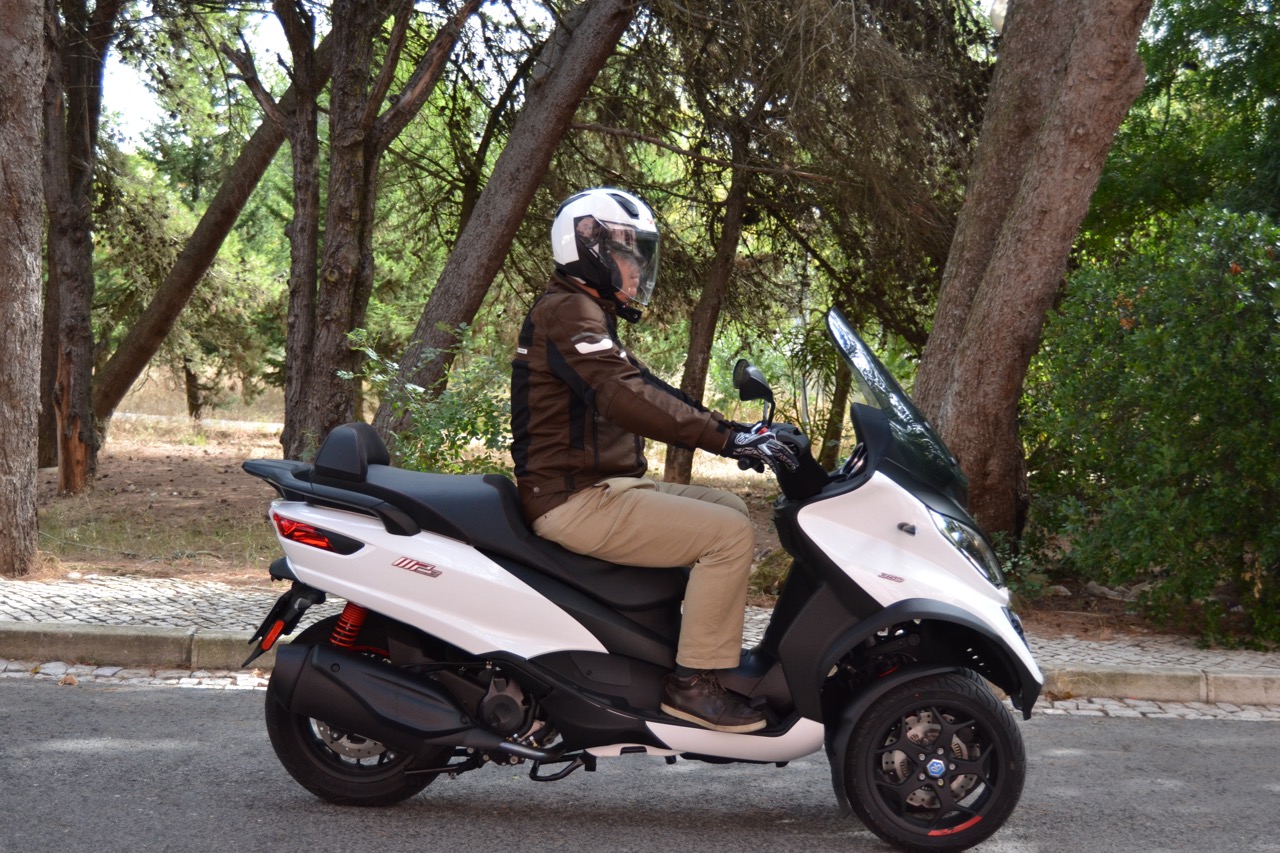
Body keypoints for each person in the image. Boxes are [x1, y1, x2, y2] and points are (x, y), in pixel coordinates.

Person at [510, 188, 797, 734]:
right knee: (729, 536)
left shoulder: (583, 311)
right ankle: (692, 686)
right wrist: (726, 441)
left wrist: (740, 431)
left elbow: (643, 386)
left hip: (599, 486)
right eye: (629, 254)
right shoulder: (569, 311)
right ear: (591, 251)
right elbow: (625, 398)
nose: (638, 269)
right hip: (572, 498)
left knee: (731, 508)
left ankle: (687, 649)